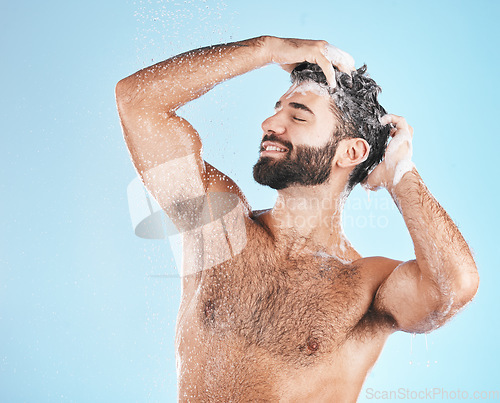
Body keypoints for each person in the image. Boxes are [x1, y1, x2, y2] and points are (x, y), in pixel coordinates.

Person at [115, 36, 479, 401]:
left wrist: (401, 174)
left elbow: (454, 285)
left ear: (351, 151)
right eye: (278, 109)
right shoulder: (218, 224)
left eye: (298, 115)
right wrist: (266, 50)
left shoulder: (366, 284)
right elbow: (138, 102)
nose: (270, 122)